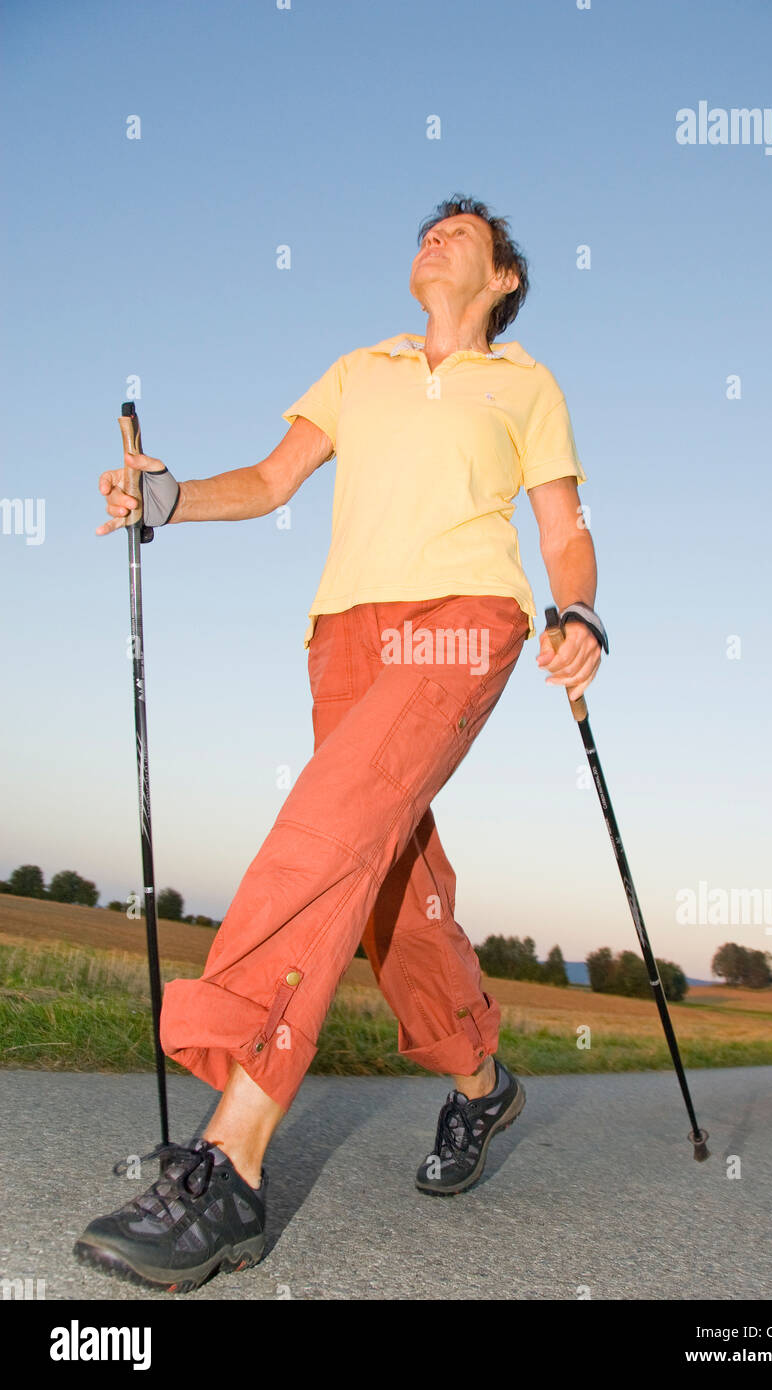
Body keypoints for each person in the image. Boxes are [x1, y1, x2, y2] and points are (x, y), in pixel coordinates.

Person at [76, 194, 607, 1292]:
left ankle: (231, 1165)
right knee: (388, 886)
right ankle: (478, 1075)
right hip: (343, 637)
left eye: (463, 230)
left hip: (466, 615)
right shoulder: (357, 369)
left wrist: (579, 613)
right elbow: (272, 482)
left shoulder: (525, 384)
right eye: (429, 226)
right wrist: (163, 498)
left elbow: (561, 526)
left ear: (503, 279)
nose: (437, 234)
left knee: (329, 828)